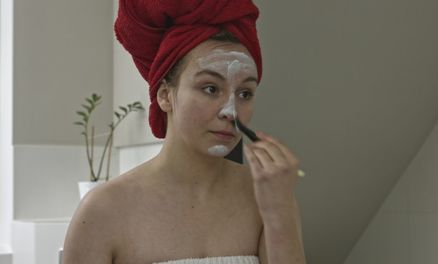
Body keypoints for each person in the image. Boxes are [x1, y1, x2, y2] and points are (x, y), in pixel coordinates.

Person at [62, 1, 306, 263]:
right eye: (210, 88)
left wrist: (280, 212)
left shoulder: (264, 197)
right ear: (166, 95)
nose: (230, 111)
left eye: (245, 93)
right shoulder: (102, 210)